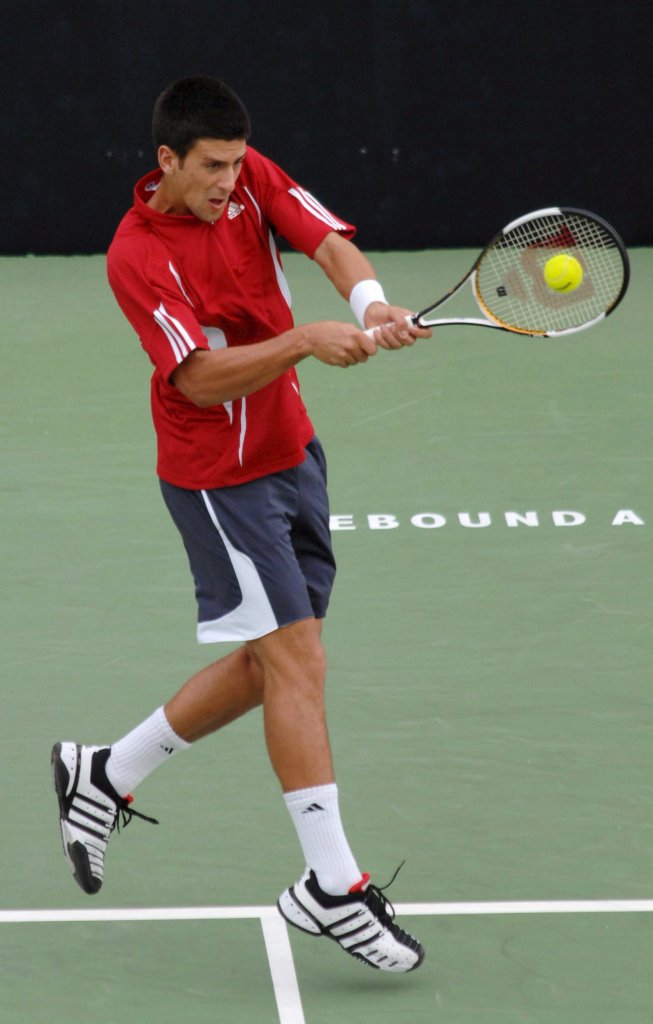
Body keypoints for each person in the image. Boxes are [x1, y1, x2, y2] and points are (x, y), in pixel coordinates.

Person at [51, 76, 429, 973]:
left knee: (274, 664)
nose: (228, 181)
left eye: (234, 163)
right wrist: (303, 340)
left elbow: (323, 239)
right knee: (297, 661)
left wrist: (369, 303)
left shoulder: (249, 175)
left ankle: (104, 773)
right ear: (167, 160)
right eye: (211, 166)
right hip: (218, 477)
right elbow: (195, 379)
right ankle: (331, 885)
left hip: (291, 448)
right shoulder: (136, 255)